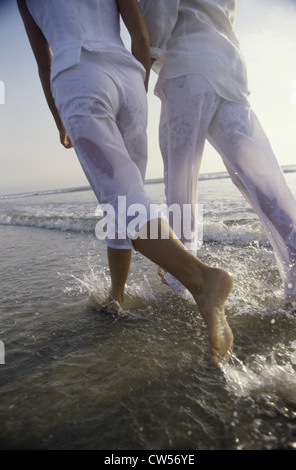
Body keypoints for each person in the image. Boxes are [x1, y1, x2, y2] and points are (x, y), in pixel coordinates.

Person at [17, 0, 234, 366]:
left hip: (76, 74)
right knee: (127, 196)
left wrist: (59, 119)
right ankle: (116, 297)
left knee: (122, 200)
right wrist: (137, 84)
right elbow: (140, 34)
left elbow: (44, 60)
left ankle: (203, 280)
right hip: (128, 76)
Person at [139, 0, 296, 298]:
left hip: (187, 68)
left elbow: (158, 10)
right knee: (262, 179)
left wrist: (147, 58)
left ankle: (182, 278)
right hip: (230, 70)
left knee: (181, 182)